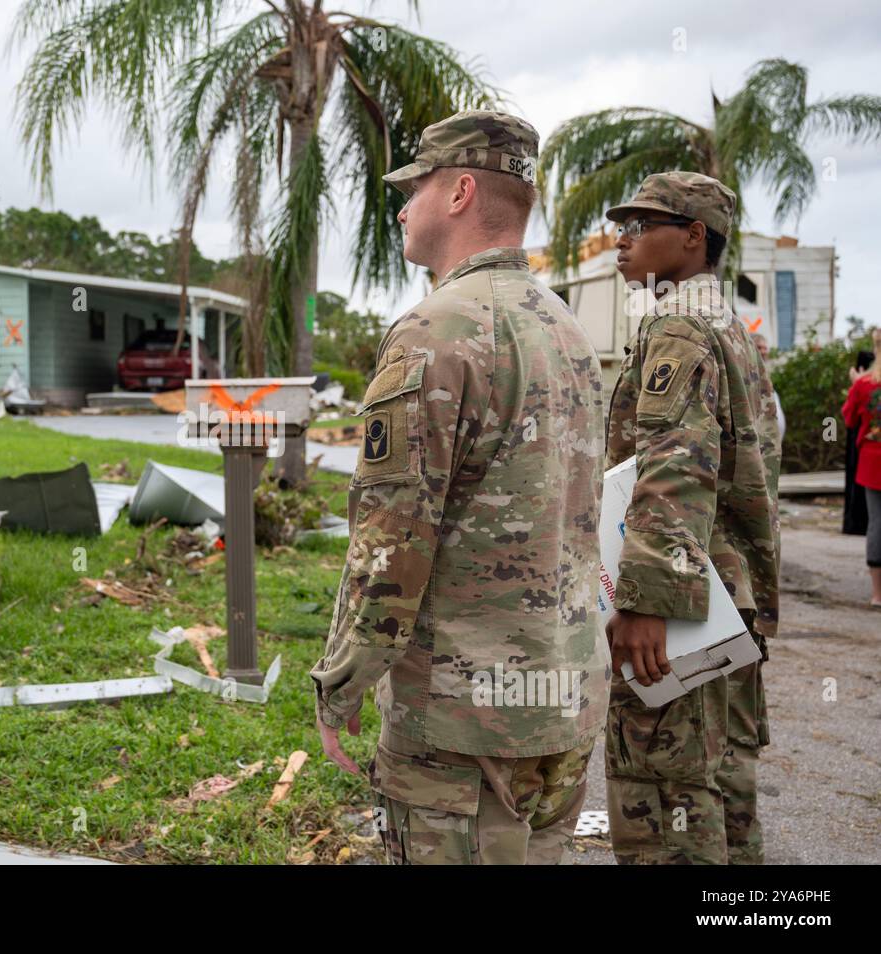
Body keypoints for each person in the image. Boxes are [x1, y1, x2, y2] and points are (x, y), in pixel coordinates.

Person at [310, 110, 608, 865]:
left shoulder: (434, 331)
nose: (402, 207)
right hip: (562, 703)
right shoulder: (566, 327)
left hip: (464, 724)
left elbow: (392, 543)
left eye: (415, 188)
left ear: (461, 192)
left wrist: (341, 686)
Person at [602, 171, 781, 864]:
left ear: (694, 237)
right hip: (726, 597)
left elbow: (677, 467)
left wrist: (648, 602)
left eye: (642, 225)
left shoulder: (679, 326)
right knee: (723, 785)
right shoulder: (729, 328)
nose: (624, 239)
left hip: (684, 606)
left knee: (666, 796)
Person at [841, 327, 881, 607]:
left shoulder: (865, 384)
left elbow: (849, 419)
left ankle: (878, 593)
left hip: (872, 460)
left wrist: (856, 382)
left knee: (877, 523)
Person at [750, 334, 785, 441]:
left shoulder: (764, 374)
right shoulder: (747, 374)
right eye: (759, 347)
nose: (764, 351)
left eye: (765, 348)